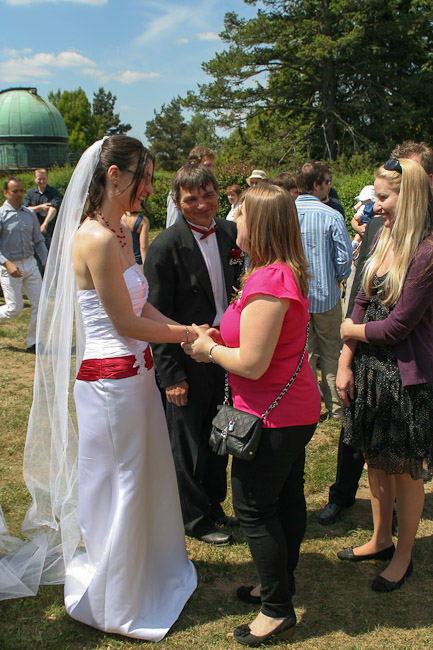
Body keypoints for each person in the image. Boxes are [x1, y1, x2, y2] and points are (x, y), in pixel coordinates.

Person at [0, 136, 197, 640]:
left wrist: (186, 329)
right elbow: (124, 323)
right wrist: (185, 336)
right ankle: (117, 599)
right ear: (114, 175)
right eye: (143, 178)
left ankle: (148, 571)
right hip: (111, 384)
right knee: (120, 483)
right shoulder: (96, 238)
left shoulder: (121, 230)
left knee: (143, 475)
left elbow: (141, 305)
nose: (149, 189)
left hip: (137, 377)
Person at [183, 184, 321, 646]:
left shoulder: (269, 279)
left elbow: (253, 363)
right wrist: (218, 337)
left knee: (254, 507)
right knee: (285, 499)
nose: (231, 219)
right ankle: (278, 585)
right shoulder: (273, 271)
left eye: (238, 213)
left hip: (273, 416)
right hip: (286, 409)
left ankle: (277, 610)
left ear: (258, 223)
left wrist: (208, 350)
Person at [319, 140, 433, 526]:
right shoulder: (383, 235)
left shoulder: (426, 250)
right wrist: (346, 359)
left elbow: (399, 325)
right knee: (374, 460)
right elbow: (361, 297)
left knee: (405, 468)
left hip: (404, 376)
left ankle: (402, 552)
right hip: (370, 369)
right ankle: (378, 536)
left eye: (383, 197)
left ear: (410, 195)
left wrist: (351, 330)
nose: (374, 205)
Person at [144, 164, 242, 546]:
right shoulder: (164, 247)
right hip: (185, 356)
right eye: (191, 199)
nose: (201, 205)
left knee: (219, 432)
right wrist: (171, 376)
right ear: (177, 201)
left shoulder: (232, 234)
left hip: (225, 352)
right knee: (187, 443)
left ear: (218, 193)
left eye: (208, 195)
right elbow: (155, 317)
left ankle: (215, 504)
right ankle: (193, 517)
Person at [296, 162, 352, 419]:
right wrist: (338, 278)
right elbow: (344, 259)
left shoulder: (285, 213)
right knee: (331, 352)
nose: (330, 186)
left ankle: (309, 406)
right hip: (326, 296)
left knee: (303, 355)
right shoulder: (331, 215)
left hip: (296, 297)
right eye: (327, 181)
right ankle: (336, 408)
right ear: (316, 184)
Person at [0, 177, 48, 352]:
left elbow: (39, 240)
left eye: (21, 191)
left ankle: (32, 342)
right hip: (9, 266)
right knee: (15, 309)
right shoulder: (1, 215)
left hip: (30, 263)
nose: (19, 194)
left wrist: (47, 262)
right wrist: (7, 264)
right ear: (6, 193)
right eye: (15, 191)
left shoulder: (29, 214)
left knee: (40, 304)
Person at [166, 146, 217, 228]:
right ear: (193, 164)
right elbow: (173, 224)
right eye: (207, 165)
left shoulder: (211, 187)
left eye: (212, 166)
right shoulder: (180, 189)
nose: (212, 170)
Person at [24, 168, 62, 272]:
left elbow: (53, 208)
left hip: (50, 231)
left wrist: (44, 224)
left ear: (47, 178)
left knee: (52, 258)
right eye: (39, 179)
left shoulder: (54, 192)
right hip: (33, 232)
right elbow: (26, 210)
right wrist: (40, 207)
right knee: (37, 260)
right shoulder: (30, 193)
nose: (42, 181)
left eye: (44, 178)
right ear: (35, 179)